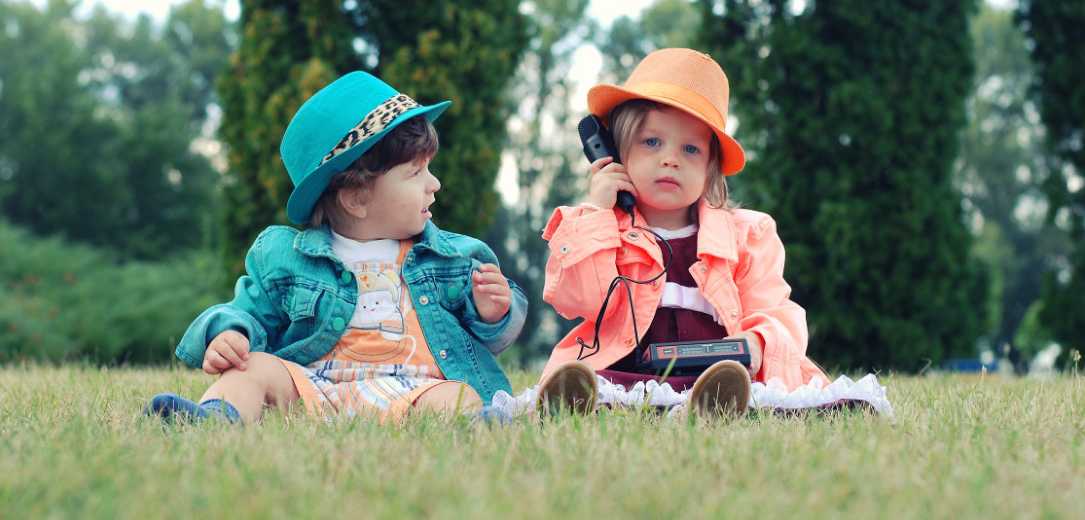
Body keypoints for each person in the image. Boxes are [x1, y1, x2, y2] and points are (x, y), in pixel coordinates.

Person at [144, 72, 527, 425]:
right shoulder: (287, 257)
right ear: (356, 198)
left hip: (414, 391)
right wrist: (231, 334)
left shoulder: (451, 258)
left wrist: (493, 313)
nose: (435, 184)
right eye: (415, 173)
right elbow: (249, 310)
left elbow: (491, 338)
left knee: (459, 395)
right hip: (314, 387)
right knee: (251, 368)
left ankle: (480, 427)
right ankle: (216, 418)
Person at [537, 48, 828, 419]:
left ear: (711, 168)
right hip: (628, 372)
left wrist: (755, 342)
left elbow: (776, 310)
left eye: (690, 148)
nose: (670, 159)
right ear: (614, 153)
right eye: (652, 142)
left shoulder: (747, 236)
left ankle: (707, 408)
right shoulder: (599, 226)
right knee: (602, 386)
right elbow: (577, 299)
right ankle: (582, 403)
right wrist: (597, 214)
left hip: (716, 374)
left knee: (746, 390)